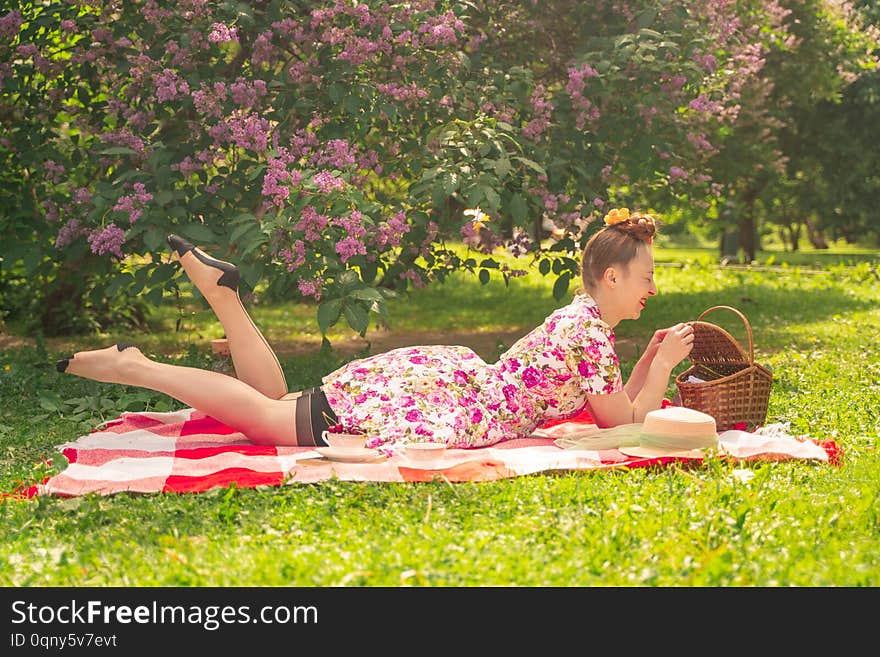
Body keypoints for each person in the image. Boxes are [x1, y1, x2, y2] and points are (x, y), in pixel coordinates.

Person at [56, 207, 694, 450]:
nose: (652, 290)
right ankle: (136, 366)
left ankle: (228, 300)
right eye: (645, 279)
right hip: (457, 403)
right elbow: (626, 424)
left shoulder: (585, 325)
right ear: (611, 277)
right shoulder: (587, 332)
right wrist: (659, 367)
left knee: (281, 407)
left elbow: (624, 407)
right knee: (275, 423)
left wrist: (652, 360)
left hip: (457, 384)